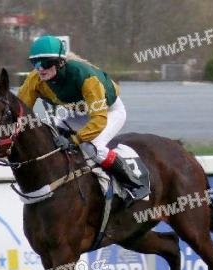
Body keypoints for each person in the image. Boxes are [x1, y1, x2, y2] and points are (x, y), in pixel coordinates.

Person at [17, 35, 145, 200]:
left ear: (60, 62)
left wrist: (74, 140)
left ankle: (132, 184)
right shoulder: (34, 79)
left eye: (46, 63)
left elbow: (98, 120)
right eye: (35, 63)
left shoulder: (86, 77)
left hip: (108, 112)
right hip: (76, 112)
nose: (40, 68)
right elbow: (20, 112)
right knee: (51, 139)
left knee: (94, 147)